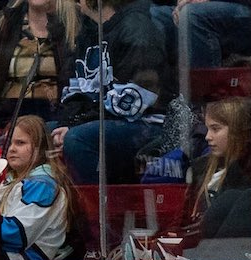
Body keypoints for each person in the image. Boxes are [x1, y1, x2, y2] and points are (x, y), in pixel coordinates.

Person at [50, 0, 167, 185]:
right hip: (100, 120)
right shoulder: (87, 31)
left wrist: (75, 126)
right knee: (39, 134)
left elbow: (131, 102)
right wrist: (68, 122)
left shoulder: (137, 27)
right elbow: (73, 91)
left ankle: (94, 208)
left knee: (76, 138)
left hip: (146, 124)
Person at [0, 0, 83, 127]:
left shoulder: (80, 25)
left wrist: (68, 125)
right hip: (6, 121)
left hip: (59, 122)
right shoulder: (1, 24)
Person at [0, 115, 85, 260]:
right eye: (8, 143)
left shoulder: (43, 185)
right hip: (8, 258)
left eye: (20, 143)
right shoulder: (9, 180)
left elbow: (15, 236)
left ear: (39, 149)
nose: (11, 149)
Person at [167, 97, 251, 247]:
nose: (208, 137)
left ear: (237, 130)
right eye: (207, 128)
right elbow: (181, 220)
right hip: (193, 247)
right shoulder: (201, 166)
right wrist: (172, 235)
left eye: (216, 129)